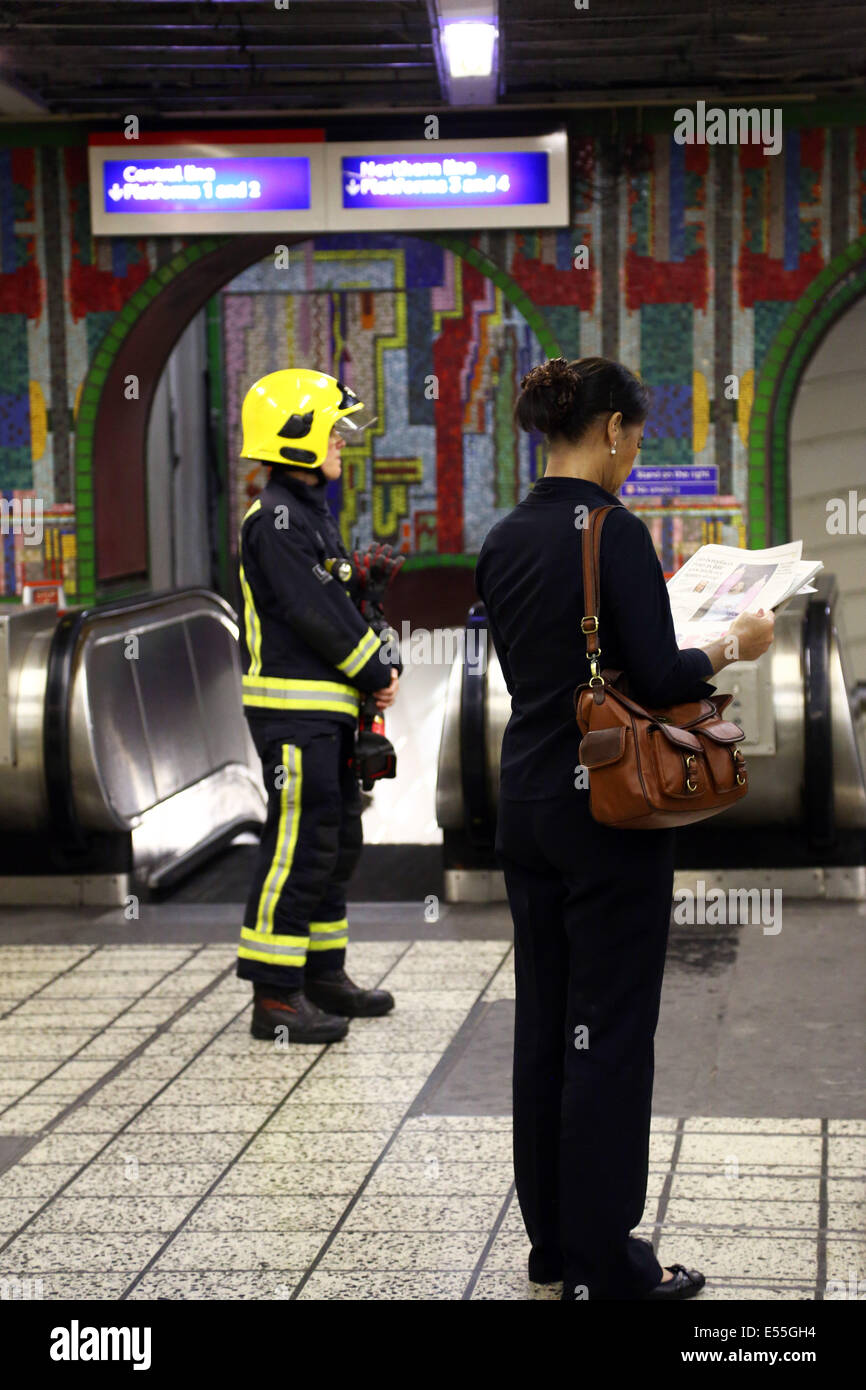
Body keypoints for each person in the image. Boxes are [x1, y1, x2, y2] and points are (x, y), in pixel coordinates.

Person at [474, 356, 775, 1301]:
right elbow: (658, 672)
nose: (636, 455)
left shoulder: (506, 536)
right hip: (605, 810)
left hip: (526, 801)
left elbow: (538, 668)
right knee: (606, 1033)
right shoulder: (614, 531)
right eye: (636, 437)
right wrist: (732, 643)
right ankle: (608, 1265)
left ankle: (553, 1250)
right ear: (609, 429)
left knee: (546, 1027)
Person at [235, 368, 402, 1044]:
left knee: (334, 843)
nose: (340, 438)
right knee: (297, 845)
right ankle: (275, 995)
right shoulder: (275, 517)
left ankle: (320, 973)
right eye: (330, 426)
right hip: (294, 713)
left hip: (325, 712)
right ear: (294, 433)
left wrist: (367, 605)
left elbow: (337, 602)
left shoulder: (305, 514)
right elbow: (315, 613)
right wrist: (374, 666)